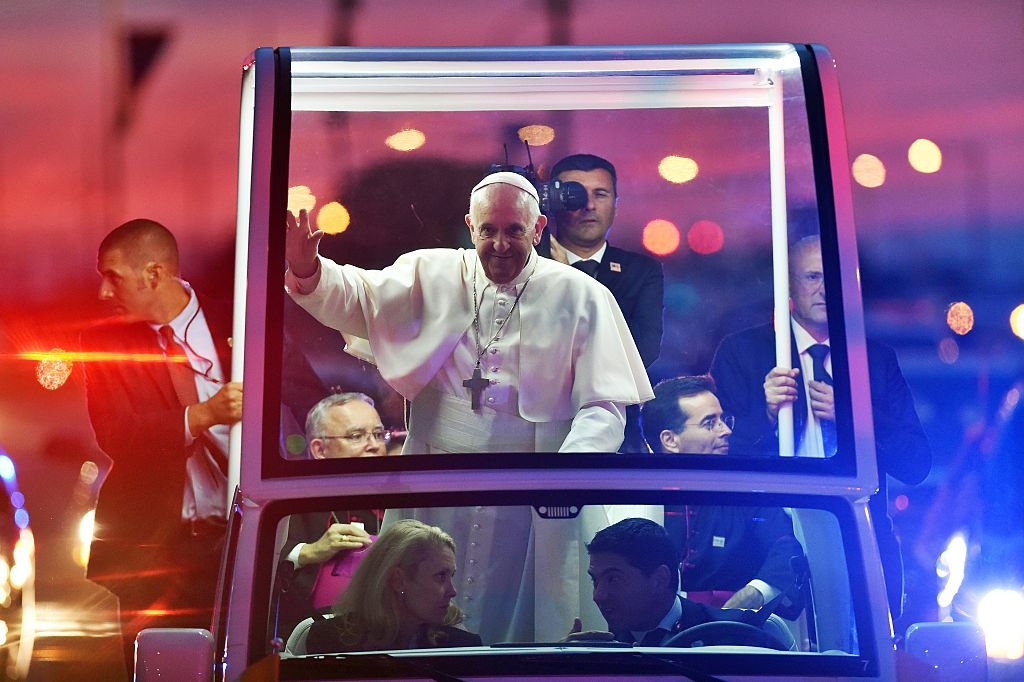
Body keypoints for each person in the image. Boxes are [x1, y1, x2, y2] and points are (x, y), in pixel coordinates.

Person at [284, 170, 653, 643]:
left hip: (533, 486)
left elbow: (604, 406)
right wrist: (309, 270)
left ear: (538, 229)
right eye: (488, 231)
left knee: (528, 617)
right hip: (439, 477)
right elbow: (359, 295)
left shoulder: (580, 294)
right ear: (470, 226)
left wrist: (565, 474)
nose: (500, 244)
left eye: (515, 231)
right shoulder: (431, 272)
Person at [709, 235, 931, 616]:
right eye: (812, 277)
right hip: (766, 542)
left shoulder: (874, 360)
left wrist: (855, 419)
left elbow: (915, 464)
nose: (825, 289)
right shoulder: (743, 351)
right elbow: (716, 458)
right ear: (789, 285)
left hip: (858, 539)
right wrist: (765, 414)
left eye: (834, 277)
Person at [80, 219, 243, 674]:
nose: (103, 294)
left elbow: (302, 402)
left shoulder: (241, 322)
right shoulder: (101, 342)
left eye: (112, 277)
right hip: (157, 555)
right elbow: (116, 434)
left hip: (245, 543)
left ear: (153, 274)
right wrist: (204, 414)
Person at [640, 375, 804, 611]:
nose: (726, 430)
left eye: (724, 420)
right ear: (670, 440)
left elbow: (786, 546)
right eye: (710, 423)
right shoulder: (638, 499)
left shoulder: (746, 491)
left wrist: (755, 592)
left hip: (739, 628)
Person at [537, 153, 665, 452]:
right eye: (574, 195)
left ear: (616, 204)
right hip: (534, 426)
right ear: (554, 202)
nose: (589, 206)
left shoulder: (641, 271)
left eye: (600, 194)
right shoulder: (531, 266)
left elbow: (643, 351)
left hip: (619, 431)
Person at [568, 517, 793, 649]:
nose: (598, 596)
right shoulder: (598, 651)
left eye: (613, 579)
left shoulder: (747, 634)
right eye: (595, 581)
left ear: (659, 579)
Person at [276, 393, 385, 637]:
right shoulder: (288, 498)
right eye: (357, 436)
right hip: (309, 636)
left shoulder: (406, 494)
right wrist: (310, 551)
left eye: (378, 434)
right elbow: (247, 568)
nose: (374, 445)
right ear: (319, 450)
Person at [306, 519, 482, 652]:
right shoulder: (325, 640)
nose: (453, 592)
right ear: (398, 580)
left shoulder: (462, 648)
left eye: (451, 576)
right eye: (441, 576)